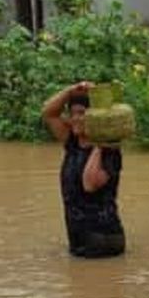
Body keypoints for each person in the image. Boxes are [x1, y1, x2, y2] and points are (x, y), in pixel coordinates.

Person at [42, 82, 126, 258]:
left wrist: (99, 143)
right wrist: (70, 90)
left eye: (82, 113)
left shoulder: (110, 152)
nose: (75, 119)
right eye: (72, 113)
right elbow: (49, 113)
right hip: (80, 241)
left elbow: (89, 183)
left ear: (96, 117)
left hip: (104, 240)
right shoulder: (72, 142)